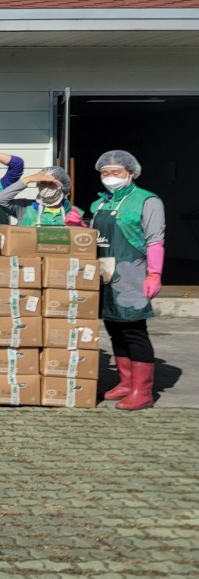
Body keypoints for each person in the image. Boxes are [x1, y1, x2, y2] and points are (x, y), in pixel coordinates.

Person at [91, 150, 165, 411]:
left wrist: (154, 273)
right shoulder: (99, 204)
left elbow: (155, 240)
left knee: (134, 330)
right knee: (114, 328)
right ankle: (125, 383)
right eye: (105, 173)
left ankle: (142, 392)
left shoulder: (147, 201)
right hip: (104, 274)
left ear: (131, 173)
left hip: (131, 273)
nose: (110, 177)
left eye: (116, 172)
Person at [0, 166, 85, 226]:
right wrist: (28, 179)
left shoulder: (74, 212)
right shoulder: (25, 207)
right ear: (37, 185)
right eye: (42, 183)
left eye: (51, 184)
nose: (46, 187)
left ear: (62, 187)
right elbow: (1, 199)